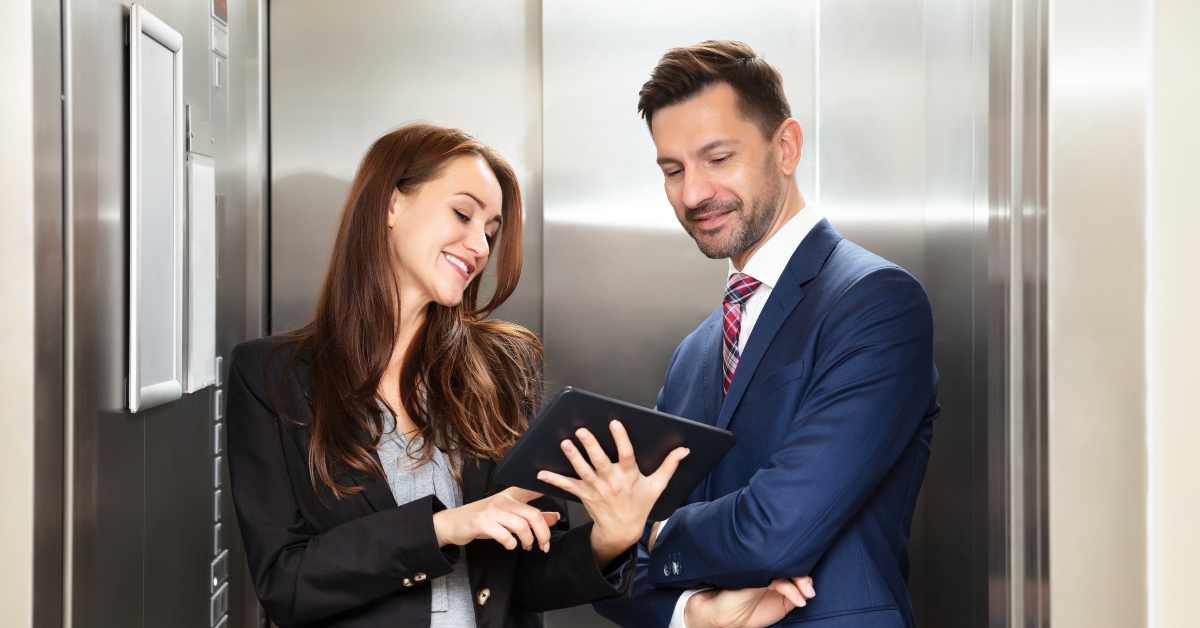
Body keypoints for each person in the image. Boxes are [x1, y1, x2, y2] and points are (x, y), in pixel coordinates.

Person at [226, 123, 689, 628]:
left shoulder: (504, 368)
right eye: (463, 214)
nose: (479, 245)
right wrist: (444, 527)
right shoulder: (272, 377)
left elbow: (530, 579)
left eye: (490, 231)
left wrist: (611, 538)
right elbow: (285, 584)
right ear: (390, 204)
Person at [592, 41, 940, 628]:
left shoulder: (876, 301)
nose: (693, 193)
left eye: (718, 159)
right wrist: (694, 612)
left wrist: (650, 531)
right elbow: (618, 578)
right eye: (672, 170)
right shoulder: (694, 354)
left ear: (786, 147)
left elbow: (776, 528)